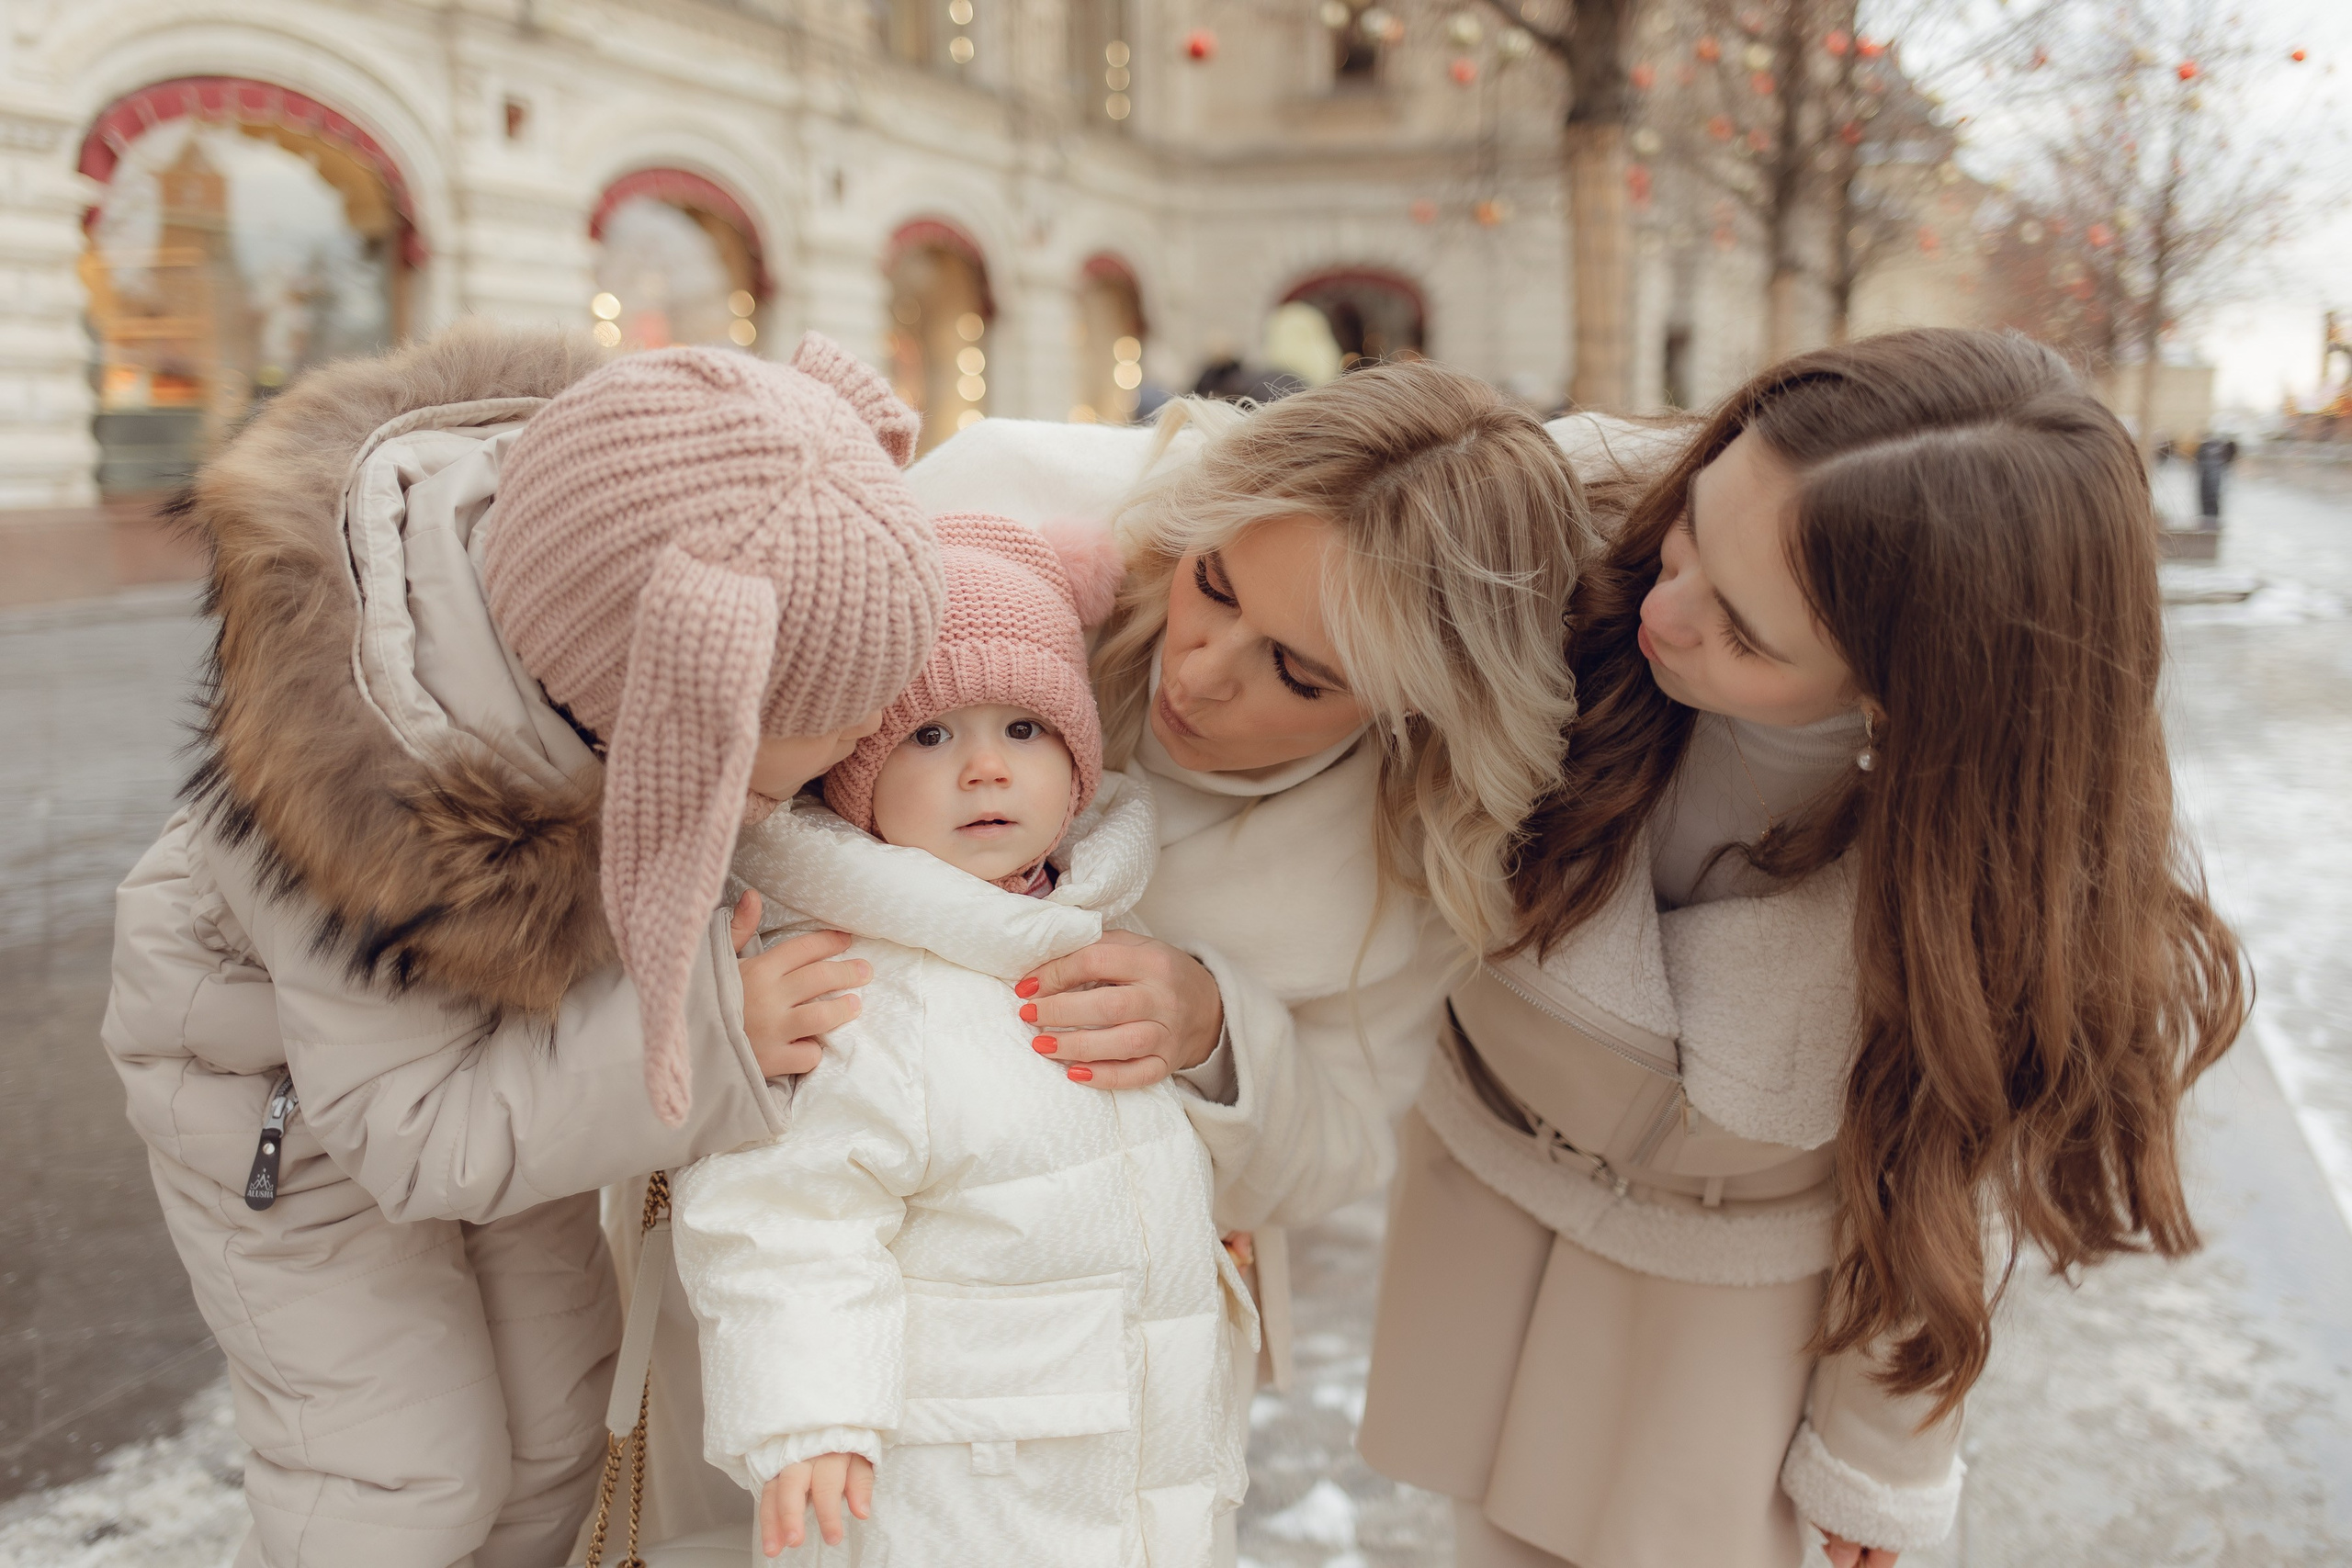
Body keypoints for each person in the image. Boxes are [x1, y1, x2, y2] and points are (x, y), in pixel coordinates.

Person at [1357, 329, 2248, 1567]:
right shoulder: (1556, 513)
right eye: (1689, 535)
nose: (1660, 607)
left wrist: (1878, 1462)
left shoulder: (1982, 867)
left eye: (1747, 633)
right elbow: (1218, 525)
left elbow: (1934, 1163)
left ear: (1908, 689)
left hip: (1730, 1313)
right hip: (1484, 1200)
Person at [98, 326, 944, 1568]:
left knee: (560, 1426)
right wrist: (713, 1036)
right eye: (770, 783)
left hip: (521, 1054)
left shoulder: (607, 587)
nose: (806, 793)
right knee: (404, 1472)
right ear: (667, 712)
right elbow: (415, 1133)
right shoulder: (373, 805)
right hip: (291, 1102)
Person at [673, 515, 1253, 1566]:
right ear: (853, 769)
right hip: (952, 1495)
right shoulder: (857, 984)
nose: (985, 768)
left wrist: (1181, 1224)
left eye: (1023, 728)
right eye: (930, 737)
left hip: (1123, 1473)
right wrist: (810, 1414)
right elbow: (785, 1215)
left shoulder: (1102, 931)